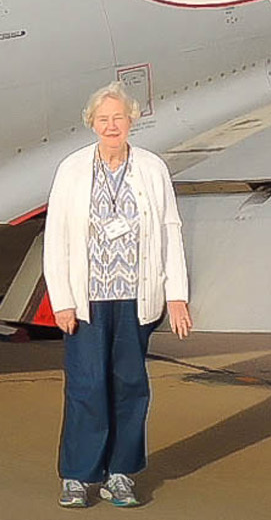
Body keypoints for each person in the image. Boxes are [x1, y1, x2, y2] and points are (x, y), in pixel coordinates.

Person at [43, 82, 193, 508]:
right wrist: (62, 300)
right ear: (92, 123)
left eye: (119, 118)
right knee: (87, 384)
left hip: (135, 297)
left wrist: (176, 294)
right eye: (104, 119)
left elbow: (170, 230)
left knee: (129, 384)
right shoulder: (72, 169)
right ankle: (77, 475)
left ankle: (121, 473)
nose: (112, 126)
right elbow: (55, 238)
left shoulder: (151, 168)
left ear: (132, 121)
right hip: (87, 299)